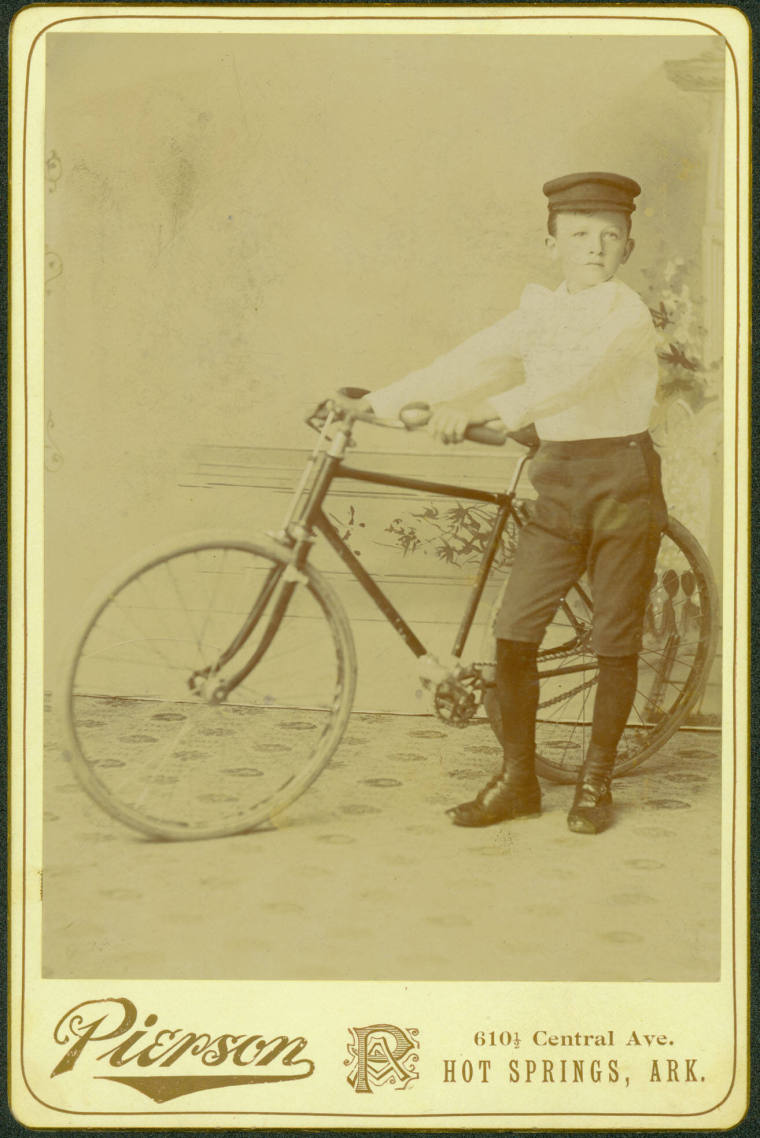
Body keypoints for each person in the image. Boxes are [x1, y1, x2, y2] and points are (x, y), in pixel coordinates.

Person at [344, 172, 667, 835]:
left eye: (610, 237)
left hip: (622, 480)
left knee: (613, 639)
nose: (595, 249)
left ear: (628, 248)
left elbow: (574, 379)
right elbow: (464, 362)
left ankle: (595, 782)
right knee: (513, 631)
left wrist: (486, 410)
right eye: (579, 235)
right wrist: (370, 403)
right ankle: (519, 779)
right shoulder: (537, 313)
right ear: (550, 243)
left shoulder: (627, 315)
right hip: (559, 480)